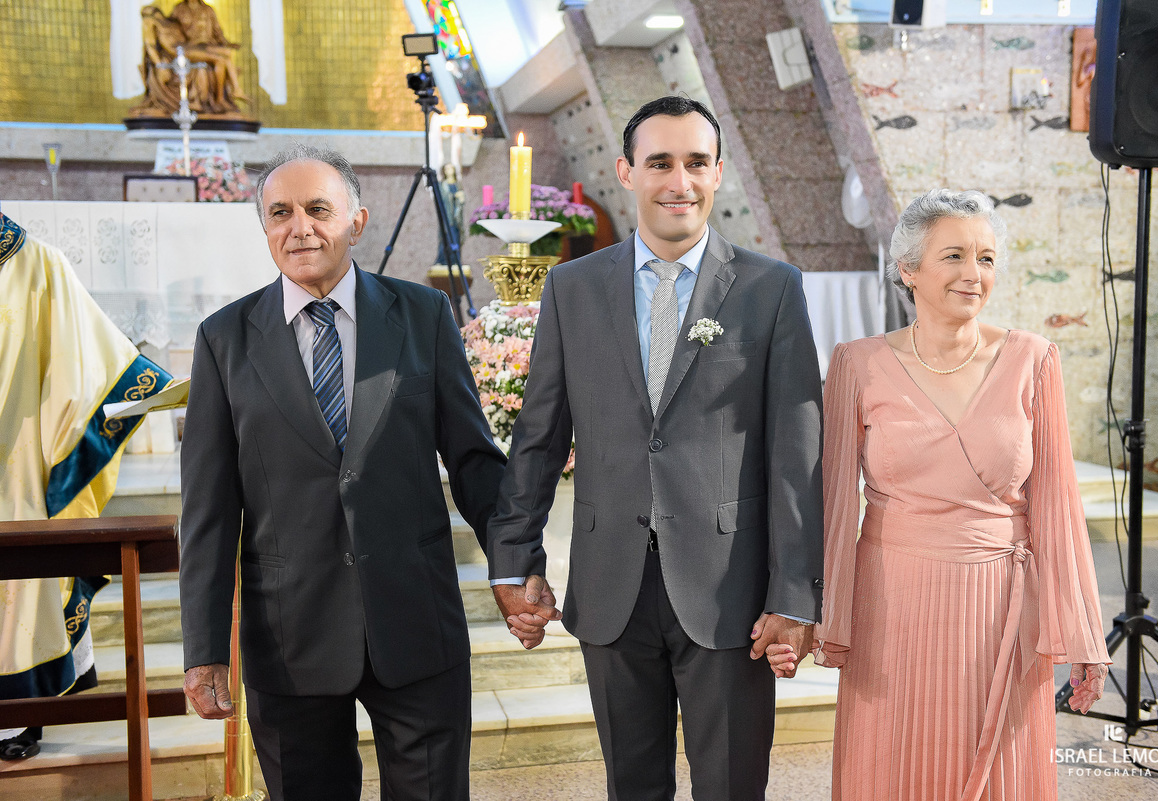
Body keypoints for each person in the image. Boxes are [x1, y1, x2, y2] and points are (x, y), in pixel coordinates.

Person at [487, 96, 825, 800]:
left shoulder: (771, 289)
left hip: (730, 589)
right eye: (661, 162)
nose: (680, 181)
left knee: (731, 786)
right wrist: (515, 555)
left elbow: (796, 456)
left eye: (697, 163)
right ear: (627, 172)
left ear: (719, 172)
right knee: (632, 787)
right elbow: (538, 438)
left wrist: (794, 594)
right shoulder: (572, 287)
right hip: (610, 582)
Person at [178, 144, 506, 801]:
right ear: (265, 228)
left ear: (356, 222)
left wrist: (515, 562)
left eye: (318, 209)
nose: (299, 227)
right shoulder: (224, 339)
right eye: (280, 213)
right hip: (290, 634)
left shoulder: (423, 316)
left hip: (416, 621)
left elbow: (474, 461)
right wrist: (205, 647)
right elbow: (208, 510)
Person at [768, 189, 1110, 800]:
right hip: (892, 607)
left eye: (986, 258)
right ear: (908, 269)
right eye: (953, 256)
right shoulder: (857, 363)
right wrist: (813, 614)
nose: (973, 274)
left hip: (1001, 607)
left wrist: (1082, 629)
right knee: (895, 766)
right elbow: (834, 504)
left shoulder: (1033, 359)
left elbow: (1058, 507)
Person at [0, 212, 171, 760]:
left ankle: (14, 717)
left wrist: (146, 389)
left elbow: (87, 366)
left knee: (22, 576)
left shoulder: (35, 265)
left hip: (13, 470)